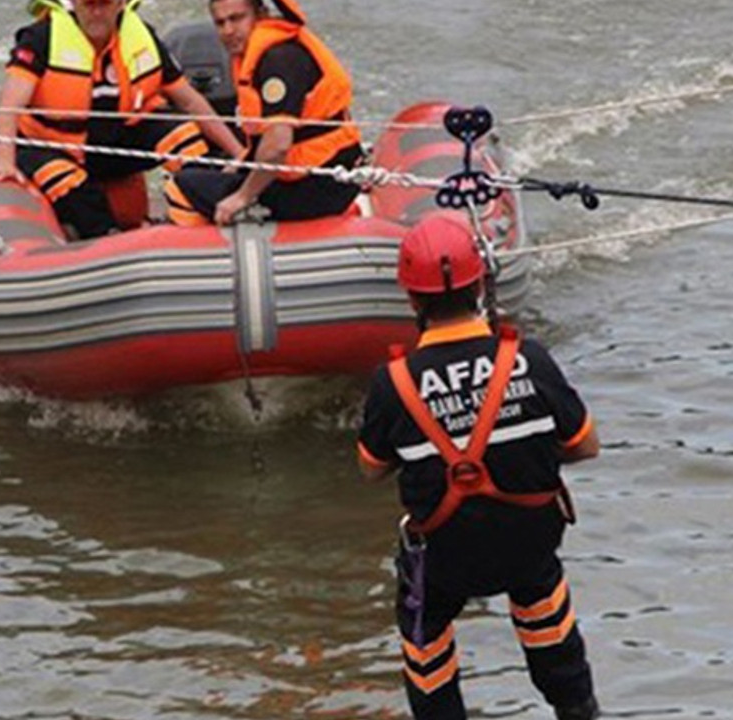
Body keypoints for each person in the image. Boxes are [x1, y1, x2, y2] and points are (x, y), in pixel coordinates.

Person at [356, 213, 602, 720]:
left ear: (412, 299)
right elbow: (585, 445)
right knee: (542, 598)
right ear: (481, 286)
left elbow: (371, 469)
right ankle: (577, 707)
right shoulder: (528, 358)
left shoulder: (392, 382)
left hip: (444, 557)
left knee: (424, 632)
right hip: (528, 544)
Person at [0, 0, 246, 240]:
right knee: (61, 177)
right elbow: (10, 105)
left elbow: (190, 101)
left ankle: (199, 217)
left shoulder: (142, 37)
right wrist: (4, 162)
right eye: (88, 4)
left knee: (185, 134)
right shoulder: (41, 38)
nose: (96, 12)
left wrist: (238, 152)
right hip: (52, 144)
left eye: (103, 4)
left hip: (114, 140)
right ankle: (108, 238)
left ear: (120, 4)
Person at [165, 0, 364, 226]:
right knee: (206, 170)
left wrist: (242, 197)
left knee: (181, 185)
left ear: (261, 14)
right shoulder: (267, 51)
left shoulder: (278, 60)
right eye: (220, 23)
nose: (228, 31)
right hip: (324, 174)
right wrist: (239, 165)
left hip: (314, 186)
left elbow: (278, 146)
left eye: (237, 19)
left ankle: (213, 253)